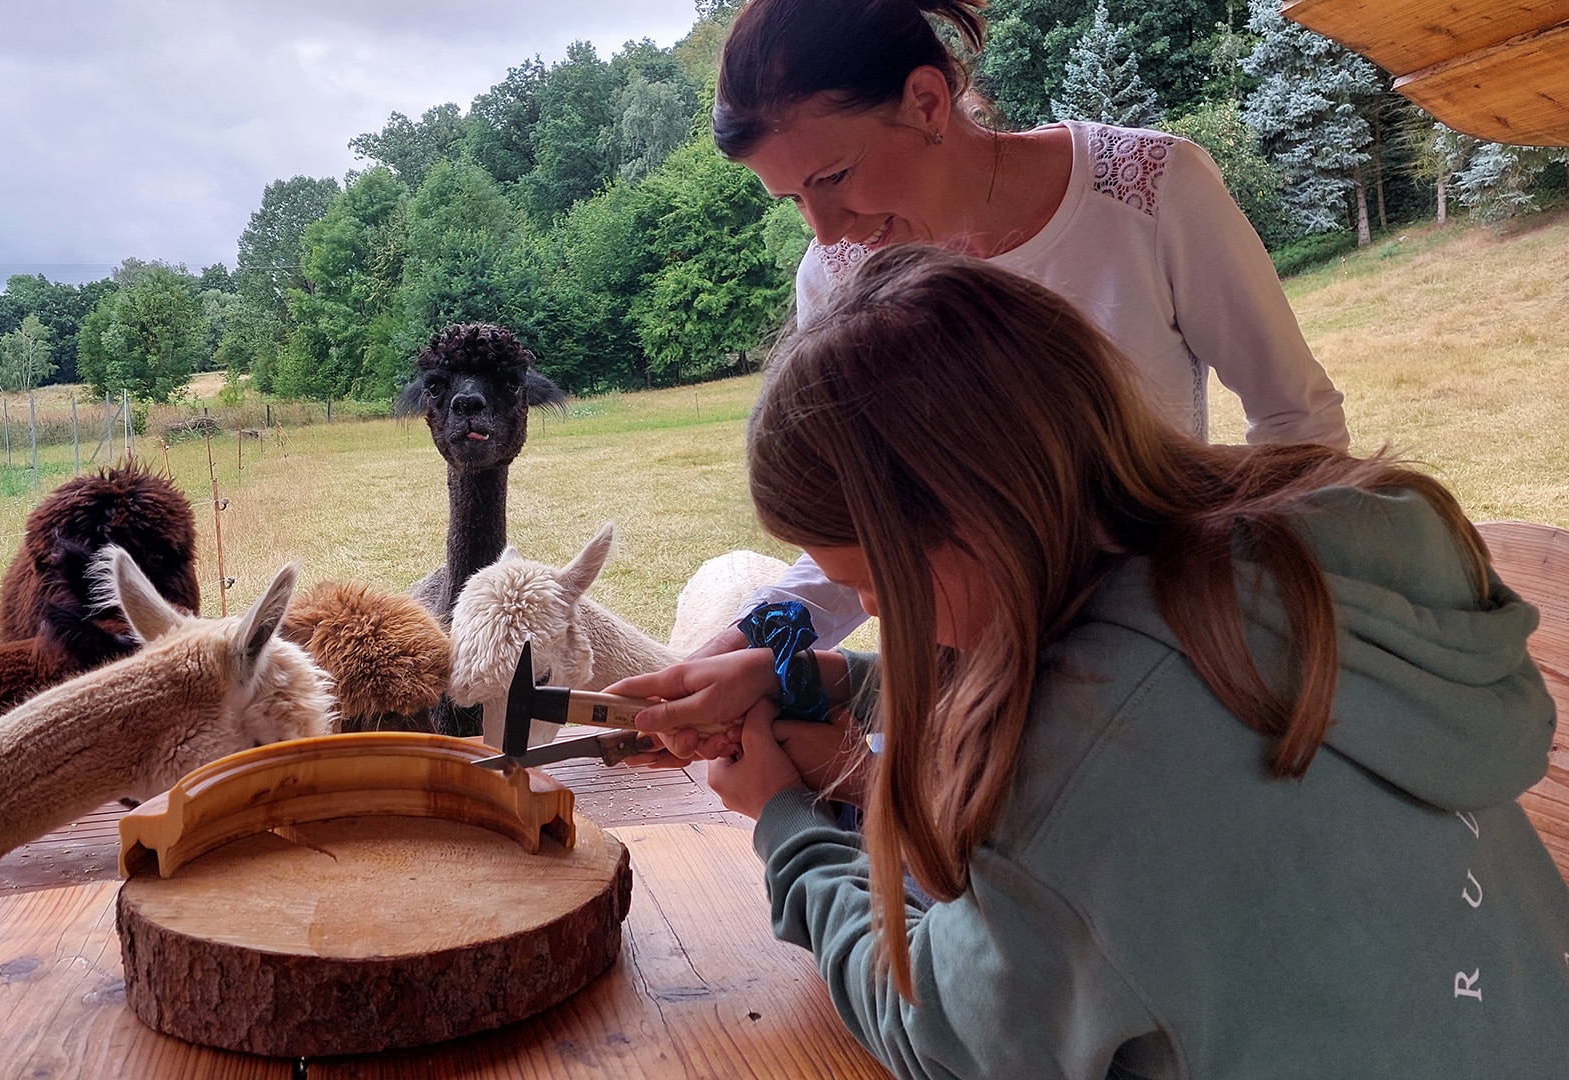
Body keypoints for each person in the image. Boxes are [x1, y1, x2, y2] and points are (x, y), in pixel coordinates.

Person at [607, 244, 1569, 1078]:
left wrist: (787, 823)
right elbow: (1107, 673)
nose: (868, 613)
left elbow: (941, 1032)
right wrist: (820, 682)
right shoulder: (1297, 561)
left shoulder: (1086, 767)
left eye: (874, 584)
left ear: (968, 526)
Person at [696, 0, 1348, 655]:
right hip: (977, 674)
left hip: (1165, 644)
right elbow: (865, 526)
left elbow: (1297, 421)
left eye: (834, 177)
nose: (825, 229)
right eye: (796, 199)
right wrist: (754, 645)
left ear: (926, 102)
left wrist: (1264, 618)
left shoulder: (1148, 193)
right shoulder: (834, 277)